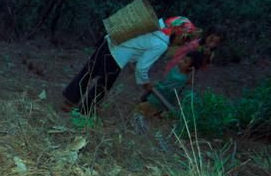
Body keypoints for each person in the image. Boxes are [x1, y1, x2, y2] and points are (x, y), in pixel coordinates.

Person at [59, 16, 197, 115]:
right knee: (103, 86)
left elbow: (137, 45)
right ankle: (84, 111)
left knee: (87, 73)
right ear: (178, 33)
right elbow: (142, 67)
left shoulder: (156, 27)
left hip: (108, 42)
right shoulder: (160, 44)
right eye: (184, 38)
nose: (182, 43)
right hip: (116, 57)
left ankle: (69, 102)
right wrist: (145, 83)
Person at [134, 50, 204, 117]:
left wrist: (155, 85)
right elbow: (165, 81)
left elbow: (167, 89)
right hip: (156, 92)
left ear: (190, 68)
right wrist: (155, 85)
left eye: (185, 62)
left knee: (139, 111)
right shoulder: (176, 68)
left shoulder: (181, 79)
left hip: (160, 99)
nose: (181, 62)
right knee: (140, 106)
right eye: (183, 59)